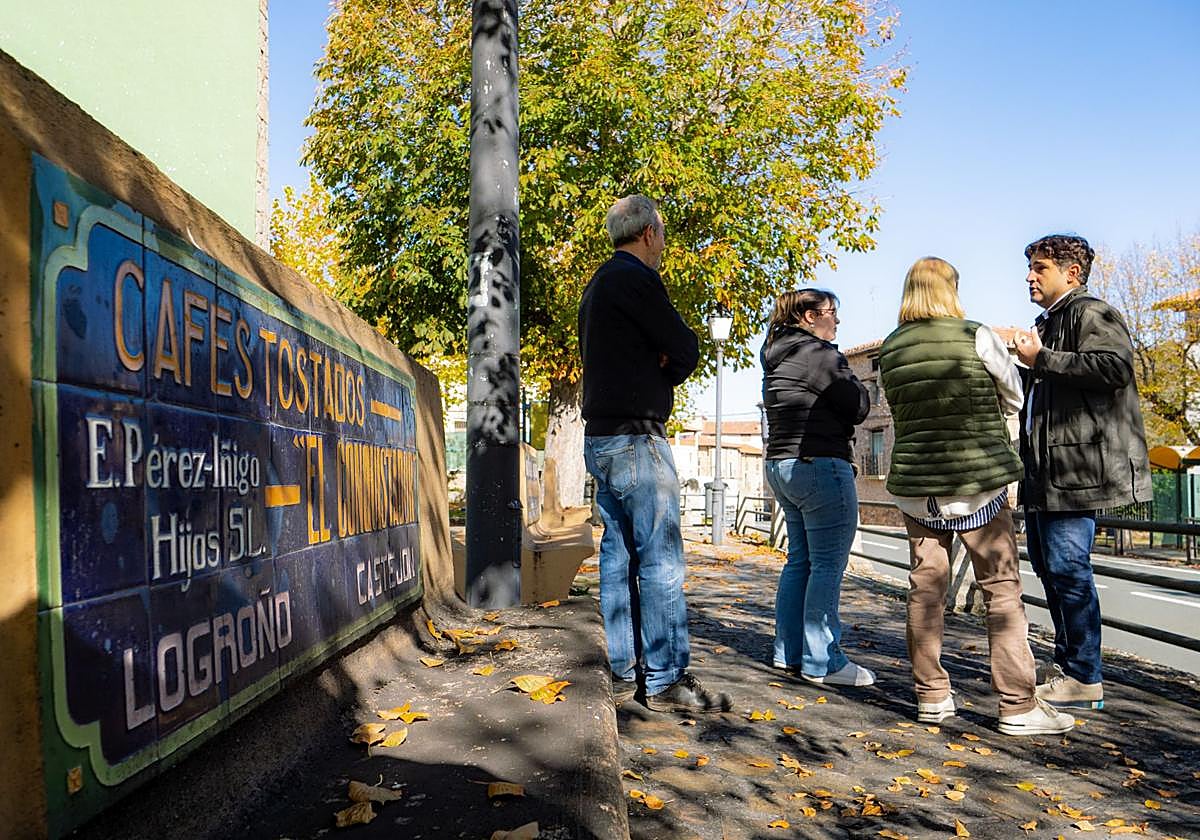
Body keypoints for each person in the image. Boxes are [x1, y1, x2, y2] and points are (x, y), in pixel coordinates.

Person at [879, 257, 1074, 735]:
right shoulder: (976, 334)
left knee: (925, 589)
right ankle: (1016, 705)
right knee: (1001, 590)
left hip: (918, 484)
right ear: (950, 290)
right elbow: (1013, 395)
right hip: (979, 482)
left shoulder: (890, 347)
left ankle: (932, 697)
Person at [578, 194, 731, 713]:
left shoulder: (598, 284)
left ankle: (623, 668)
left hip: (599, 437)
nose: (663, 243)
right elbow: (685, 347)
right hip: (638, 438)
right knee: (661, 558)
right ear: (648, 234)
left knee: (618, 555)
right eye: (662, 233)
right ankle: (665, 678)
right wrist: (662, 368)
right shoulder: (637, 279)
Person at [1015, 234, 1151, 709]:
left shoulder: (1091, 312)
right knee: (1053, 570)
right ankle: (1071, 667)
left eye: (1040, 268)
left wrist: (1040, 359)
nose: (1029, 275)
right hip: (1048, 472)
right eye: (1030, 267)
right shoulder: (1051, 320)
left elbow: (1113, 368)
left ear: (1071, 274)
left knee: (1068, 570)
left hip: (1075, 471)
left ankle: (1084, 675)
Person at [760, 289, 874, 686]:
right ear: (808, 316)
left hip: (782, 464)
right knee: (826, 566)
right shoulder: (821, 355)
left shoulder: (776, 354)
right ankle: (823, 661)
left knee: (800, 562)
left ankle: (788, 652)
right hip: (820, 463)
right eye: (830, 313)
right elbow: (859, 407)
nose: (837, 321)